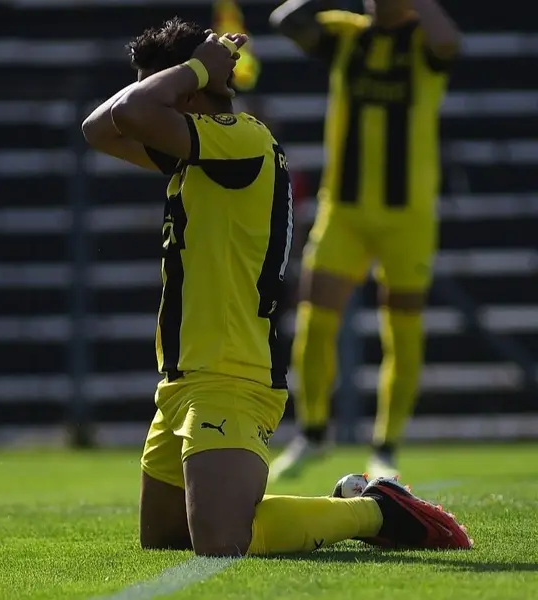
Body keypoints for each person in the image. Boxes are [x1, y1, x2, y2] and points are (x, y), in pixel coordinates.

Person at [81, 18, 469, 555]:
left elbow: (128, 114)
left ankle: (374, 510)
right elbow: (98, 128)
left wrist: (196, 68)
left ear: (188, 88)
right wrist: (190, 71)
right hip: (182, 378)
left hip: (229, 374)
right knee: (166, 539)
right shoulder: (200, 145)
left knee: (223, 541)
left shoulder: (240, 139)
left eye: (168, 82)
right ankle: (352, 501)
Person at [266, 0, 462, 481]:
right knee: (314, 315)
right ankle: (313, 433)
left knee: (403, 328)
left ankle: (386, 446)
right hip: (345, 210)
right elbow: (286, 20)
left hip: (407, 215)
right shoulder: (346, 34)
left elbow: (449, 43)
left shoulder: (422, 41)